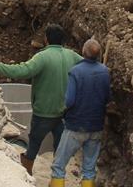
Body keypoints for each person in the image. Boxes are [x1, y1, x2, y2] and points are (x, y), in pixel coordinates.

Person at [0, 24, 82, 175]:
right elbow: (88, 65)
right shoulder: (72, 56)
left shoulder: (42, 57)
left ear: (46, 39)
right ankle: (57, 180)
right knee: (59, 149)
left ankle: (26, 175)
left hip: (43, 114)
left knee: (33, 145)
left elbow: (22, 71)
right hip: (63, 113)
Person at [49, 39, 111, 187]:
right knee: (89, 169)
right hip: (96, 126)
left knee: (58, 166)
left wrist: (62, 111)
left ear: (83, 52)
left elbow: (69, 101)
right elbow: (107, 98)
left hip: (76, 126)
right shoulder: (105, 71)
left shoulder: (76, 71)